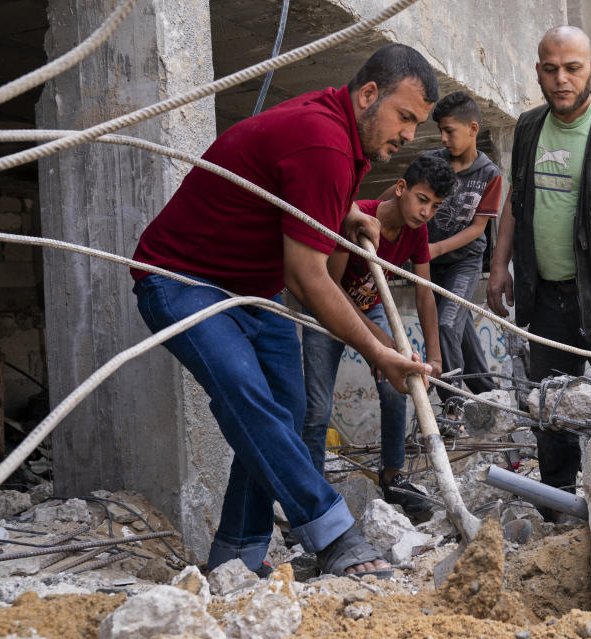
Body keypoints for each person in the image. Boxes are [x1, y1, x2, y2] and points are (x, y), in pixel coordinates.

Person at [130, 43, 439, 579]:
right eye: (405, 117)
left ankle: (237, 557)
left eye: (417, 123)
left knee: (287, 415)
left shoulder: (339, 133)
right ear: (369, 94)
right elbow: (306, 278)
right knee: (250, 400)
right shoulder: (326, 142)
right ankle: (333, 531)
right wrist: (378, 351)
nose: (410, 134)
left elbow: (286, 181)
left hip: (252, 290)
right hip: (182, 280)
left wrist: (343, 212)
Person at [485, 26, 591, 516]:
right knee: (549, 409)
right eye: (550, 68)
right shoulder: (527, 128)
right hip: (545, 299)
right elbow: (516, 205)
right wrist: (499, 266)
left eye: (572, 68)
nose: (561, 79)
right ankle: (556, 512)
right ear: (539, 69)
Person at [301, 154, 455, 517]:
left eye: (435, 206)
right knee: (318, 406)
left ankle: (391, 477)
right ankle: (308, 493)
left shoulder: (416, 232)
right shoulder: (359, 218)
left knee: (395, 386)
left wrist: (434, 358)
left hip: (369, 308)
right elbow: (334, 289)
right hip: (327, 308)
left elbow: (423, 292)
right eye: (421, 199)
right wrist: (379, 345)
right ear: (400, 189)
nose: (425, 212)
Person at [423, 91, 503, 401]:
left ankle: (453, 404)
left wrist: (437, 249)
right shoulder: (430, 162)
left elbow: (478, 229)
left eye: (449, 131)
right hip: (428, 264)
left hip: (463, 264)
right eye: (440, 131)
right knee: (459, 330)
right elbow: (401, 197)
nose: (443, 138)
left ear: (472, 129)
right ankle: (490, 398)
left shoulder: (489, 175)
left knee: (445, 324)